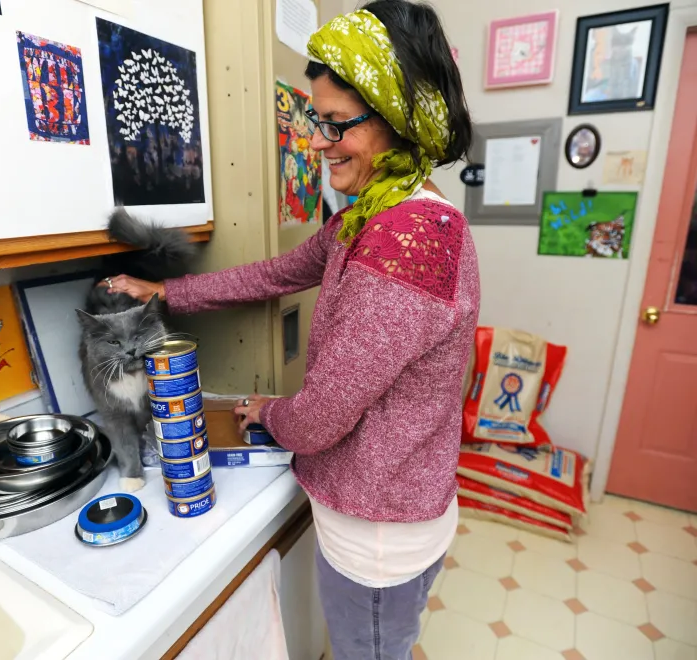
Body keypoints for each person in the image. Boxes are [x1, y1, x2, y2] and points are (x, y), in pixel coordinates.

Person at [103, 2, 479, 657]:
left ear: (396, 121)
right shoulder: (387, 213)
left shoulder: (401, 243)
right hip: (404, 510)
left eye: (336, 124)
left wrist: (268, 410)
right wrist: (166, 289)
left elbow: (320, 419)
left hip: (378, 537)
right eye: (315, 119)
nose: (314, 141)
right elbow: (278, 272)